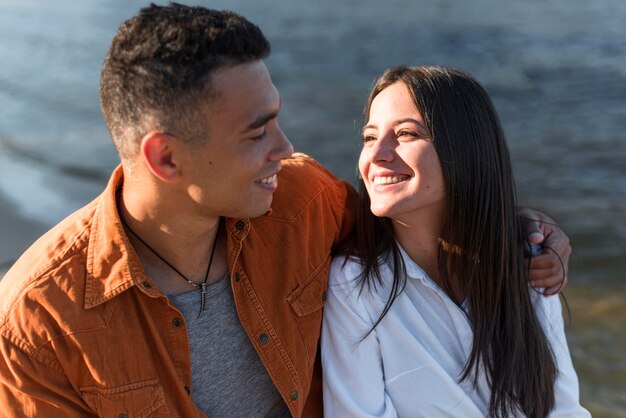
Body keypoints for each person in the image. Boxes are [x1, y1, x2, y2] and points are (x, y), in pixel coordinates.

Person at [0, 5, 570, 417]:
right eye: (256, 134)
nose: (285, 148)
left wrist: (521, 230)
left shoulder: (302, 201)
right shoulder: (39, 323)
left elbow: (414, 225)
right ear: (165, 157)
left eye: (276, 118)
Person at [321, 65, 589, 417]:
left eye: (406, 133)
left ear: (465, 149)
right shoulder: (356, 284)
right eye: (370, 137)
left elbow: (565, 411)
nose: (377, 154)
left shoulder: (528, 259)